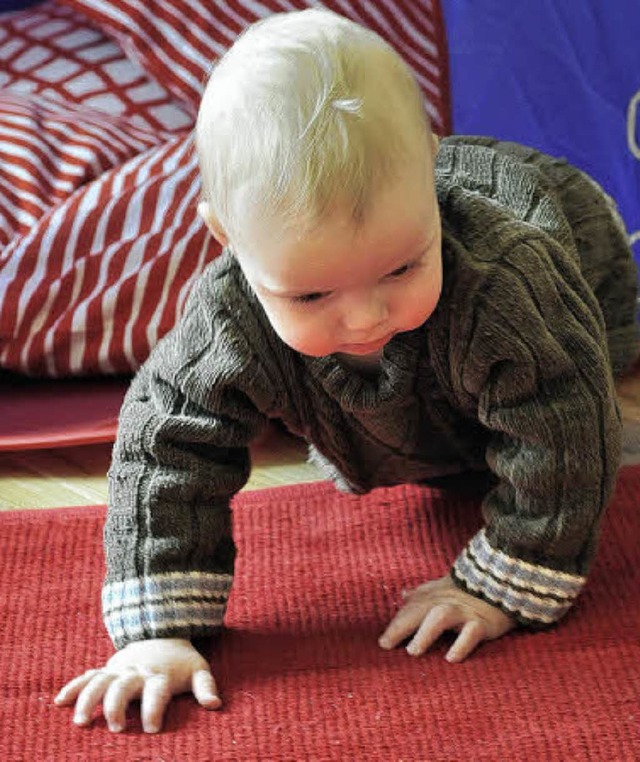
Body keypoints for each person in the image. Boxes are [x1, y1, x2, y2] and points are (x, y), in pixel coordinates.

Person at [55, 8, 639, 734]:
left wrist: (503, 581)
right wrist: (156, 630)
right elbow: (166, 445)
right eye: (310, 294)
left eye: (401, 265)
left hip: (571, 268)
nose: (363, 317)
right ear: (228, 240)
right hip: (414, 393)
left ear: (431, 178)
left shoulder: (505, 282)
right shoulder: (229, 316)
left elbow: (565, 420)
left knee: (574, 405)